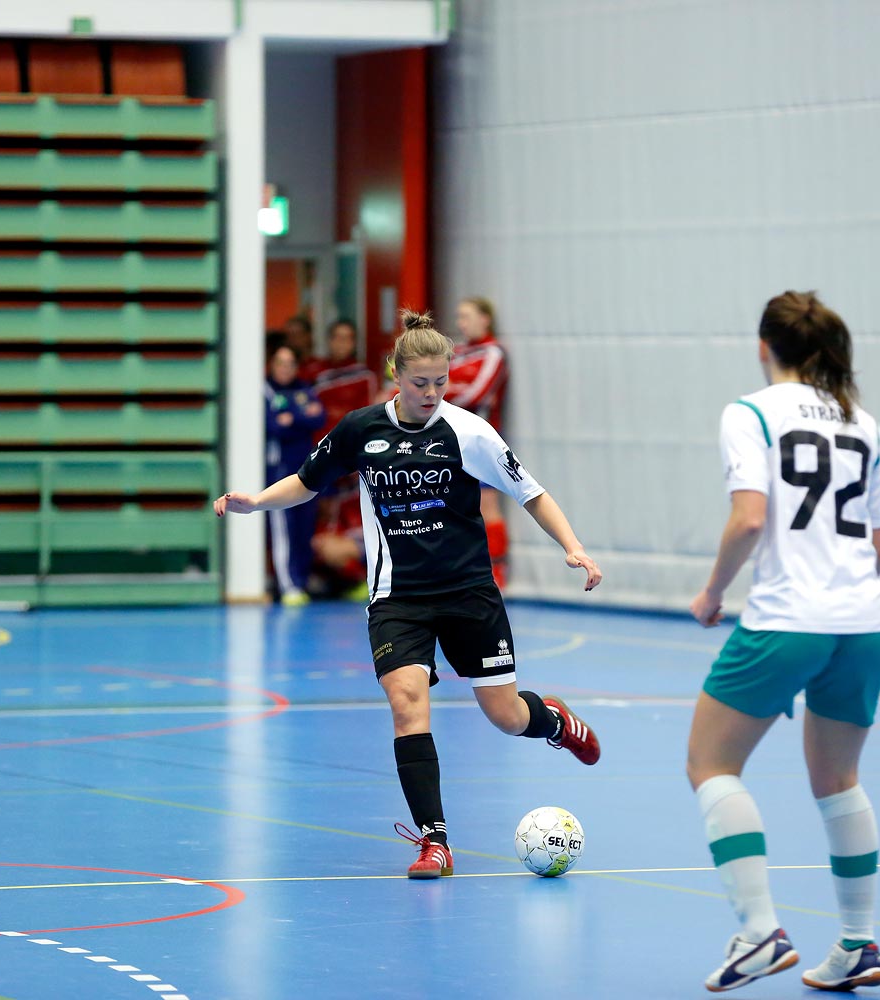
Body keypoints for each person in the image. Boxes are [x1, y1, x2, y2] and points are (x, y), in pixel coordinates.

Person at [216, 309, 603, 878]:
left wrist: (573, 546)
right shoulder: (361, 429)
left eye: (441, 382)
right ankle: (435, 841)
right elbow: (306, 482)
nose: (431, 393)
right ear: (396, 373)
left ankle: (553, 722)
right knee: (406, 704)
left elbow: (533, 494)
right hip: (398, 599)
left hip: (469, 592)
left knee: (505, 715)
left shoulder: (470, 432)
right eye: (420, 382)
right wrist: (255, 501)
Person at [684, 291, 880, 993]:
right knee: (838, 781)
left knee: (711, 764)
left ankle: (758, 932)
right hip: (864, 625)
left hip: (786, 620)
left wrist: (714, 593)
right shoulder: (864, 422)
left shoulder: (749, 413)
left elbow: (749, 520)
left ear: (762, 346)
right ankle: (859, 946)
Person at [446, 297, 512, 587]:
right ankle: (461, 570)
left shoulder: (494, 352)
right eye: (459, 317)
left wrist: (446, 391)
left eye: (467, 316)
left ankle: (496, 573)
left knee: (487, 506)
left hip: (482, 440)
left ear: (485, 318)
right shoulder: (456, 353)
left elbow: (476, 394)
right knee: (450, 505)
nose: (462, 323)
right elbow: (435, 386)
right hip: (449, 439)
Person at [265, 343, 326, 606]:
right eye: (281, 363)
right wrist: (300, 418)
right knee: (283, 529)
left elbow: (318, 418)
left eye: (290, 364)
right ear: (272, 365)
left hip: (306, 469)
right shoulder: (265, 390)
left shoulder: (304, 388)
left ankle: (301, 580)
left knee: (304, 526)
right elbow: (273, 426)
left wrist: (293, 418)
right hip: (278, 469)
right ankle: (287, 584)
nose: (285, 369)